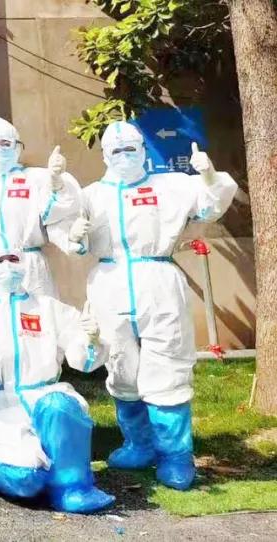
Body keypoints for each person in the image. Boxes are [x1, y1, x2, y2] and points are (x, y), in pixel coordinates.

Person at [79, 122, 237, 490]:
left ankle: (175, 455)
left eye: (131, 148)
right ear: (104, 155)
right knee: (121, 365)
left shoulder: (171, 185)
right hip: (109, 282)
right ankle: (139, 444)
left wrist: (209, 175)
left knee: (167, 366)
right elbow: (67, 230)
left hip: (158, 280)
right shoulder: (91, 195)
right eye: (116, 150)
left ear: (143, 149)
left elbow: (211, 204)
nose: (124, 156)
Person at [0, 237, 115, 513]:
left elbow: (82, 359)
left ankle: (73, 488)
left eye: (13, 259)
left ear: (23, 263)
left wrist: (91, 340)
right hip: (0, 407)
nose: (7, 266)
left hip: (45, 394)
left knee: (60, 406)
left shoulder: (47, 307)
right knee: (25, 478)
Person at [0, 117, 86, 297]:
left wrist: (56, 181)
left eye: (5, 144)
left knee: (36, 312)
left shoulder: (36, 179)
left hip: (29, 268)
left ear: (17, 146)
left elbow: (57, 214)